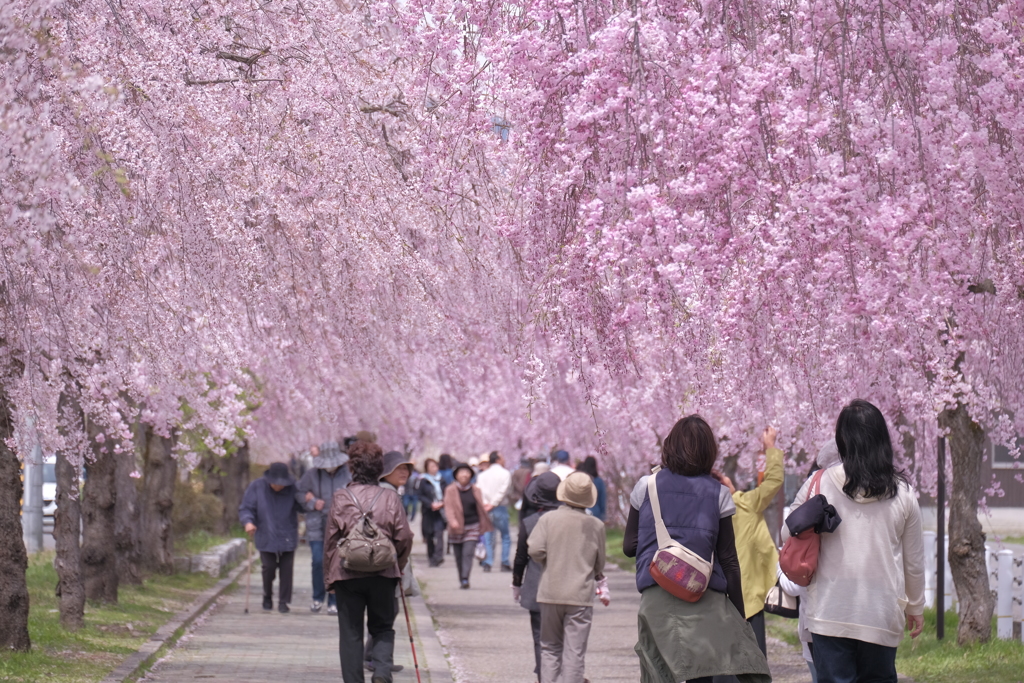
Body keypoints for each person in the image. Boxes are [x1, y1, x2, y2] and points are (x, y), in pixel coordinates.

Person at [782, 400, 925, 683]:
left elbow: (789, 534)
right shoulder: (904, 493)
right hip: (880, 613)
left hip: (829, 611)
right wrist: (916, 608)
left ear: (842, 440)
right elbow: (914, 562)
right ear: (882, 439)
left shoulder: (819, 483)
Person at [623, 415, 770, 683]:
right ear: (708, 452)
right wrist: (739, 615)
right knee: (701, 677)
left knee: (659, 674)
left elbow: (628, 547)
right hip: (704, 600)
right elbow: (729, 560)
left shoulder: (646, 486)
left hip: (657, 599)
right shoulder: (719, 493)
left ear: (670, 446)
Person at [324, 441, 413, 683]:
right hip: (382, 572)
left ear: (352, 468)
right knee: (383, 626)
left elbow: (331, 540)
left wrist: (329, 578)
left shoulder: (341, 497)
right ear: (379, 469)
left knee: (351, 633)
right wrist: (399, 566)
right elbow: (404, 536)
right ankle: (382, 672)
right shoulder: (390, 497)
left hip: (347, 573)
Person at [527, 471, 608, 683]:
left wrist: (548, 559)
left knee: (550, 648)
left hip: (550, 591)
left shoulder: (548, 519)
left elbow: (535, 550)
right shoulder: (596, 525)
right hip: (579, 595)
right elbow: (599, 563)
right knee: (574, 652)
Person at [719, 426, 784, 660]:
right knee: (754, 660)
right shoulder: (745, 503)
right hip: (750, 596)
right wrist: (771, 448)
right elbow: (774, 481)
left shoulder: (709, 513)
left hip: (720, 598)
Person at [511, 471, 561, 680]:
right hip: (564, 587)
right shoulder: (572, 520)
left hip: (536, 586)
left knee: (541, 639)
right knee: (563, 639)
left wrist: (517, 583)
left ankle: (544, 676)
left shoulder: (529, 522)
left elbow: (521, 557)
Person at [239, 462, 305, 613]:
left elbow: (302, 507)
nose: (279, 486)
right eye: (276, 483)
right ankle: (267, 595)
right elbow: (246, 507)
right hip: (266, 532)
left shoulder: (293, 487)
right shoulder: (257, 486)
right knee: (268, 568)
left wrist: (306, 499)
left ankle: (283, 601)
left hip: (287, 533)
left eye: (282, 484)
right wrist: (248, 522)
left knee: (287, 570)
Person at [295, 442, 351, 615]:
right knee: (318, 561)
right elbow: (298, 493)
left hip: (340, 525)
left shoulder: (348, 475)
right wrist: (312, 502)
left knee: (336, 562)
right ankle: (317, 597)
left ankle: (334, 600)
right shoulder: (311, 475)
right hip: (317, 524)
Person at [443, 462, 493, 588]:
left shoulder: (476, 489)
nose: (464, 475)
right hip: (456, 527)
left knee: (468, 553)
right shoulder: (450, 490)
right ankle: (461, 577)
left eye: (467, 472)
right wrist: (452, 520)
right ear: (456, 475)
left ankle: (465, 578)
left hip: (473, 525)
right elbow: (448, 507)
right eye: (461, 472)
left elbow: (479, 505)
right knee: (458, 555)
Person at [477, 451, 513, 572]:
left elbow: (479, 491)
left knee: (488, 535)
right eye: (502, 458)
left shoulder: (482, 475)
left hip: (486, 507)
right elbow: (503, 490)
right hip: (499, 507)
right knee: (505, 536)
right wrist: (494, 503)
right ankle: (504, 562)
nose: (504, 460)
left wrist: (485, 504)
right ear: (497, 459)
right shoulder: (505, 473)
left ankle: (488, 562)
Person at [418, 458, 446, 566]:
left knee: (439, 533)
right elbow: (420, 495)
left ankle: (439, 556)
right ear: (427, 469)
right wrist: (430, 504)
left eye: (435, 466)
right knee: (429, 535)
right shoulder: (423, 481)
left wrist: (442, 503)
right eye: (432, 467)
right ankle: (431, 558)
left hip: (440, 511)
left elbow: (447, 492)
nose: (434, 469)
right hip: (428, 511)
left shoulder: (442, 480)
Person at [576, 456, 607, 522]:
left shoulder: (581, 479)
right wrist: (603, 516)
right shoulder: (599, 481)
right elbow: (602, 500)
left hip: (582, 511)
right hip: (596, 512)